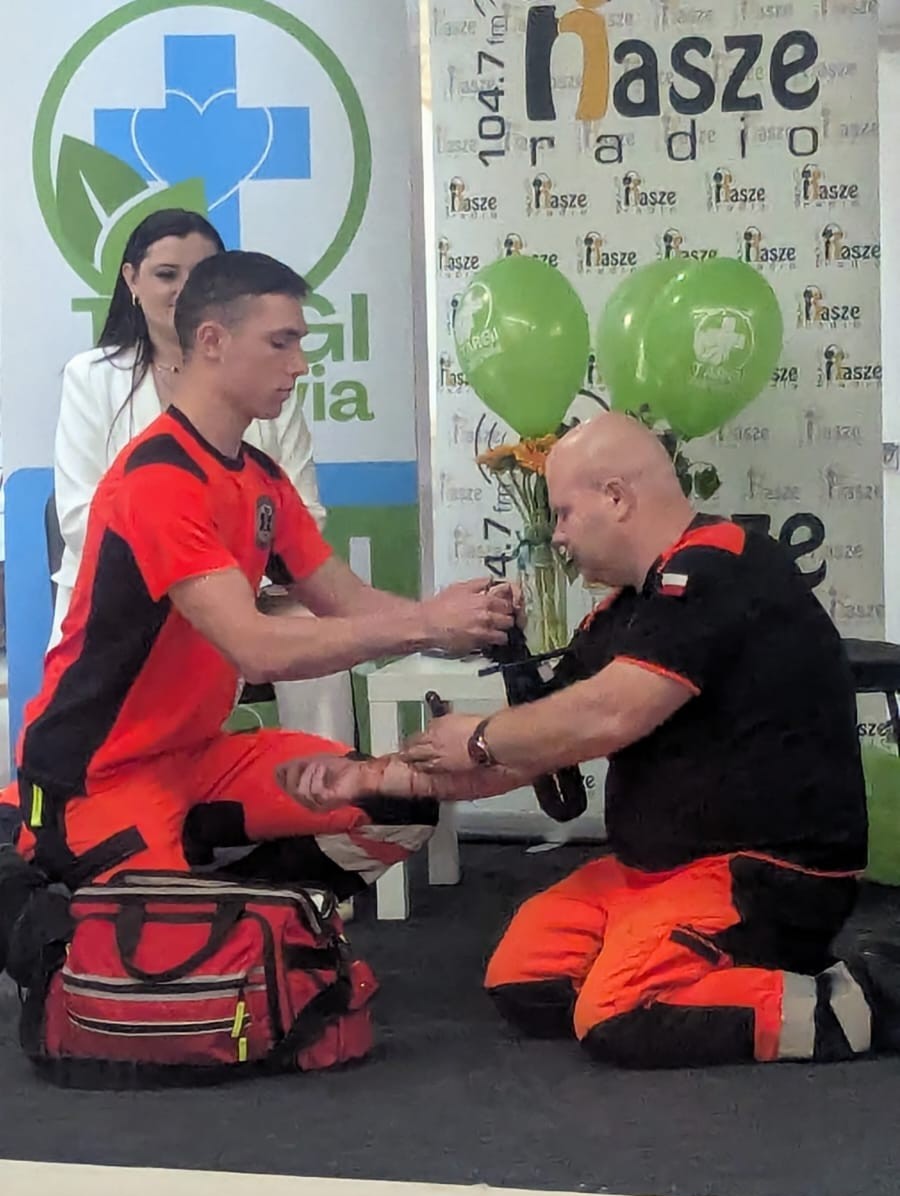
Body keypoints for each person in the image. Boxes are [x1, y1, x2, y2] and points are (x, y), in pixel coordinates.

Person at [279, 413, 874, 1069]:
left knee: (616, 1015)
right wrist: (366, 777)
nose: (557, 534)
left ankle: (864, 1001)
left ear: (616, 497)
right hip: (656, 870)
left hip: (763, 875)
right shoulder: (622, 609)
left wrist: (480, 736)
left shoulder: (720, 567)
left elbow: (610, 712)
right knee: (523, 980)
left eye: (563, 512)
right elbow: (532, 750)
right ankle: (683, 966)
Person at [15, 250, 515, 900]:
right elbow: (254, 647)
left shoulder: (261, 479)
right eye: (281, 342)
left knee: (399, 803)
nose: (299, 365)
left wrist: (464, 623)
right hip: (94, 777)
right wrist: (425, 623)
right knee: (169, 947)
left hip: (200, 758)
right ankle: (182, 916)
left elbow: (349, 602)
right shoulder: (158, 481)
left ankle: (241, 920)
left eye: (299, 343)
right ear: (213, 341)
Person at [52, 207, 352, 743]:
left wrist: (232, 588)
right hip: (125, 600)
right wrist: (203, 580)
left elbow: (303, 515)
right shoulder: (91, 377)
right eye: (167, 274)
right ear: (131, 281)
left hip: (251, 591)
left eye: (202, 273)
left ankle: (333, 783)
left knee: (318, 631)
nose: (185, 289)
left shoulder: (264, 381)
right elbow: (80, 518)